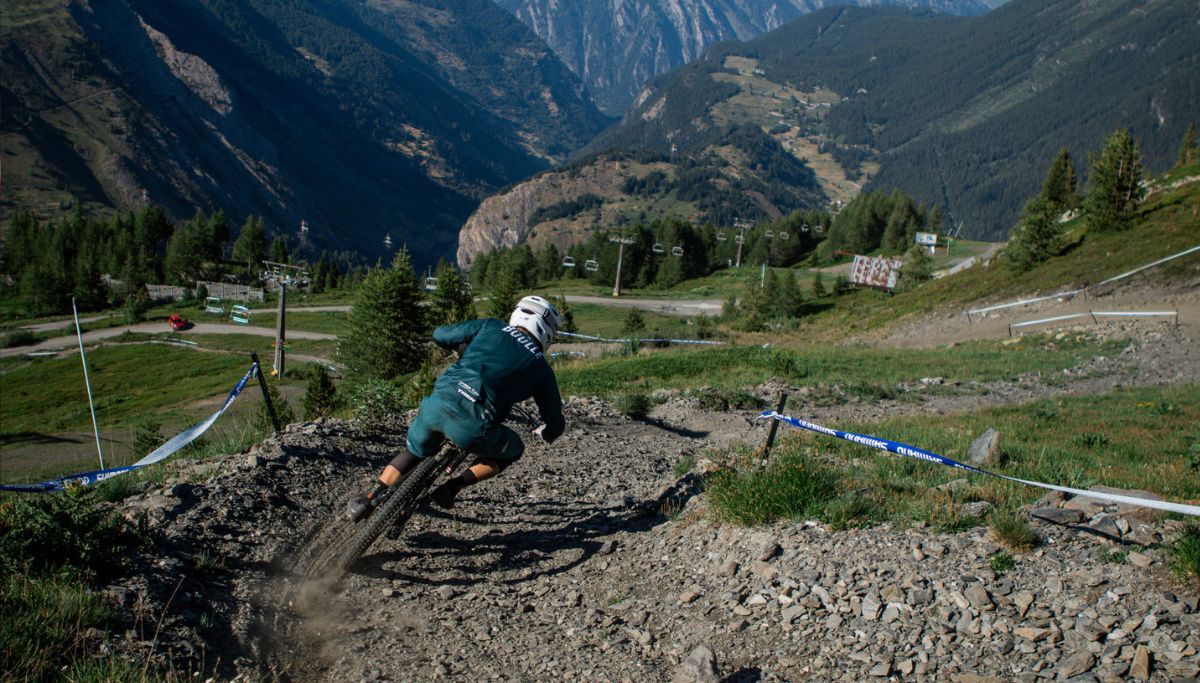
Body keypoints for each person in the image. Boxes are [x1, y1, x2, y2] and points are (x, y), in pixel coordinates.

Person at [346, 295, 566, 521]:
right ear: (547, 331)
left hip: (436, 407)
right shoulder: (542, 369)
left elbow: (439, 334)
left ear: (517, 314)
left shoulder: (491, 326)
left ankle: (369, 499)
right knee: (514, 449)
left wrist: (464, 348)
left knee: (414, 451)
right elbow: (555, 422)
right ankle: (452, 488)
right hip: (473, 428)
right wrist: (547, 433)